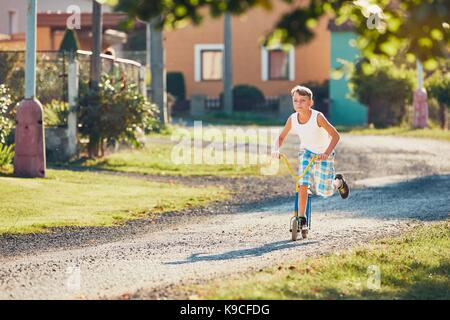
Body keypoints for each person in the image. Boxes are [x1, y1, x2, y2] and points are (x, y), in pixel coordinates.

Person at [272, 85, 349, 234]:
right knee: (302, 183)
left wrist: (326, 153)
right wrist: (275, 150)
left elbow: (335, 135)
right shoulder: (293, 119)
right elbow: (281, 137)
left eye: (302, 100)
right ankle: (302, 219)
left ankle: (338, 182)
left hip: (323, 153)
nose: (298, 104)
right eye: (296, 101)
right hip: (306, 153)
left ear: (310, 103)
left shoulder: (317, 117)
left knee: (325, 191)